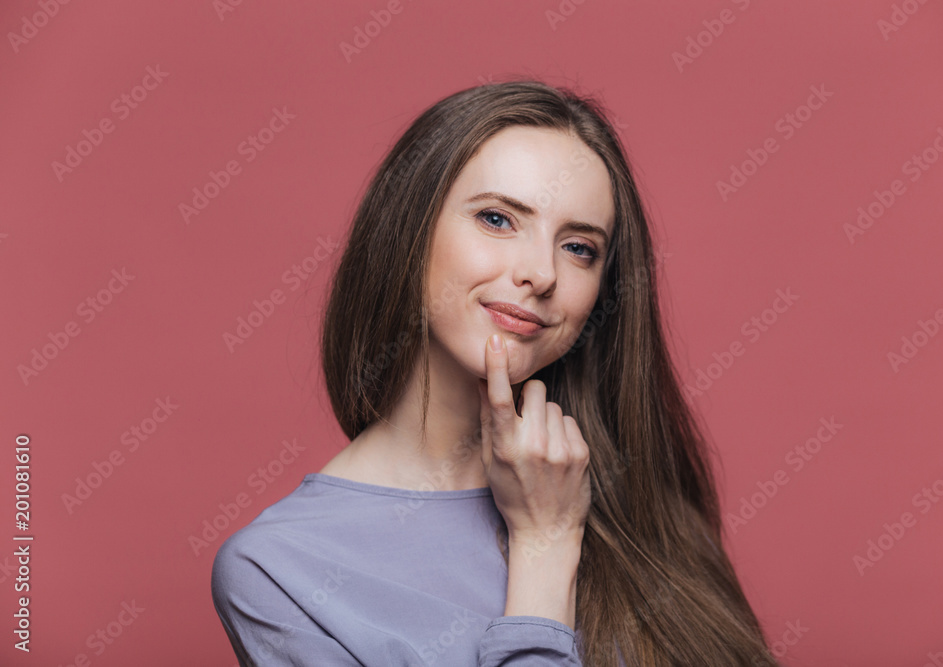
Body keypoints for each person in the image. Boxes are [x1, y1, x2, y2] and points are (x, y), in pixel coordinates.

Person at [211, 79, 780, 666]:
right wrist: (545, 544)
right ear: (408, 228)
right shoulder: (277, 571)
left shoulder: (639, 501)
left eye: (579, 248)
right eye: (497, 219)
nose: (541, 272)